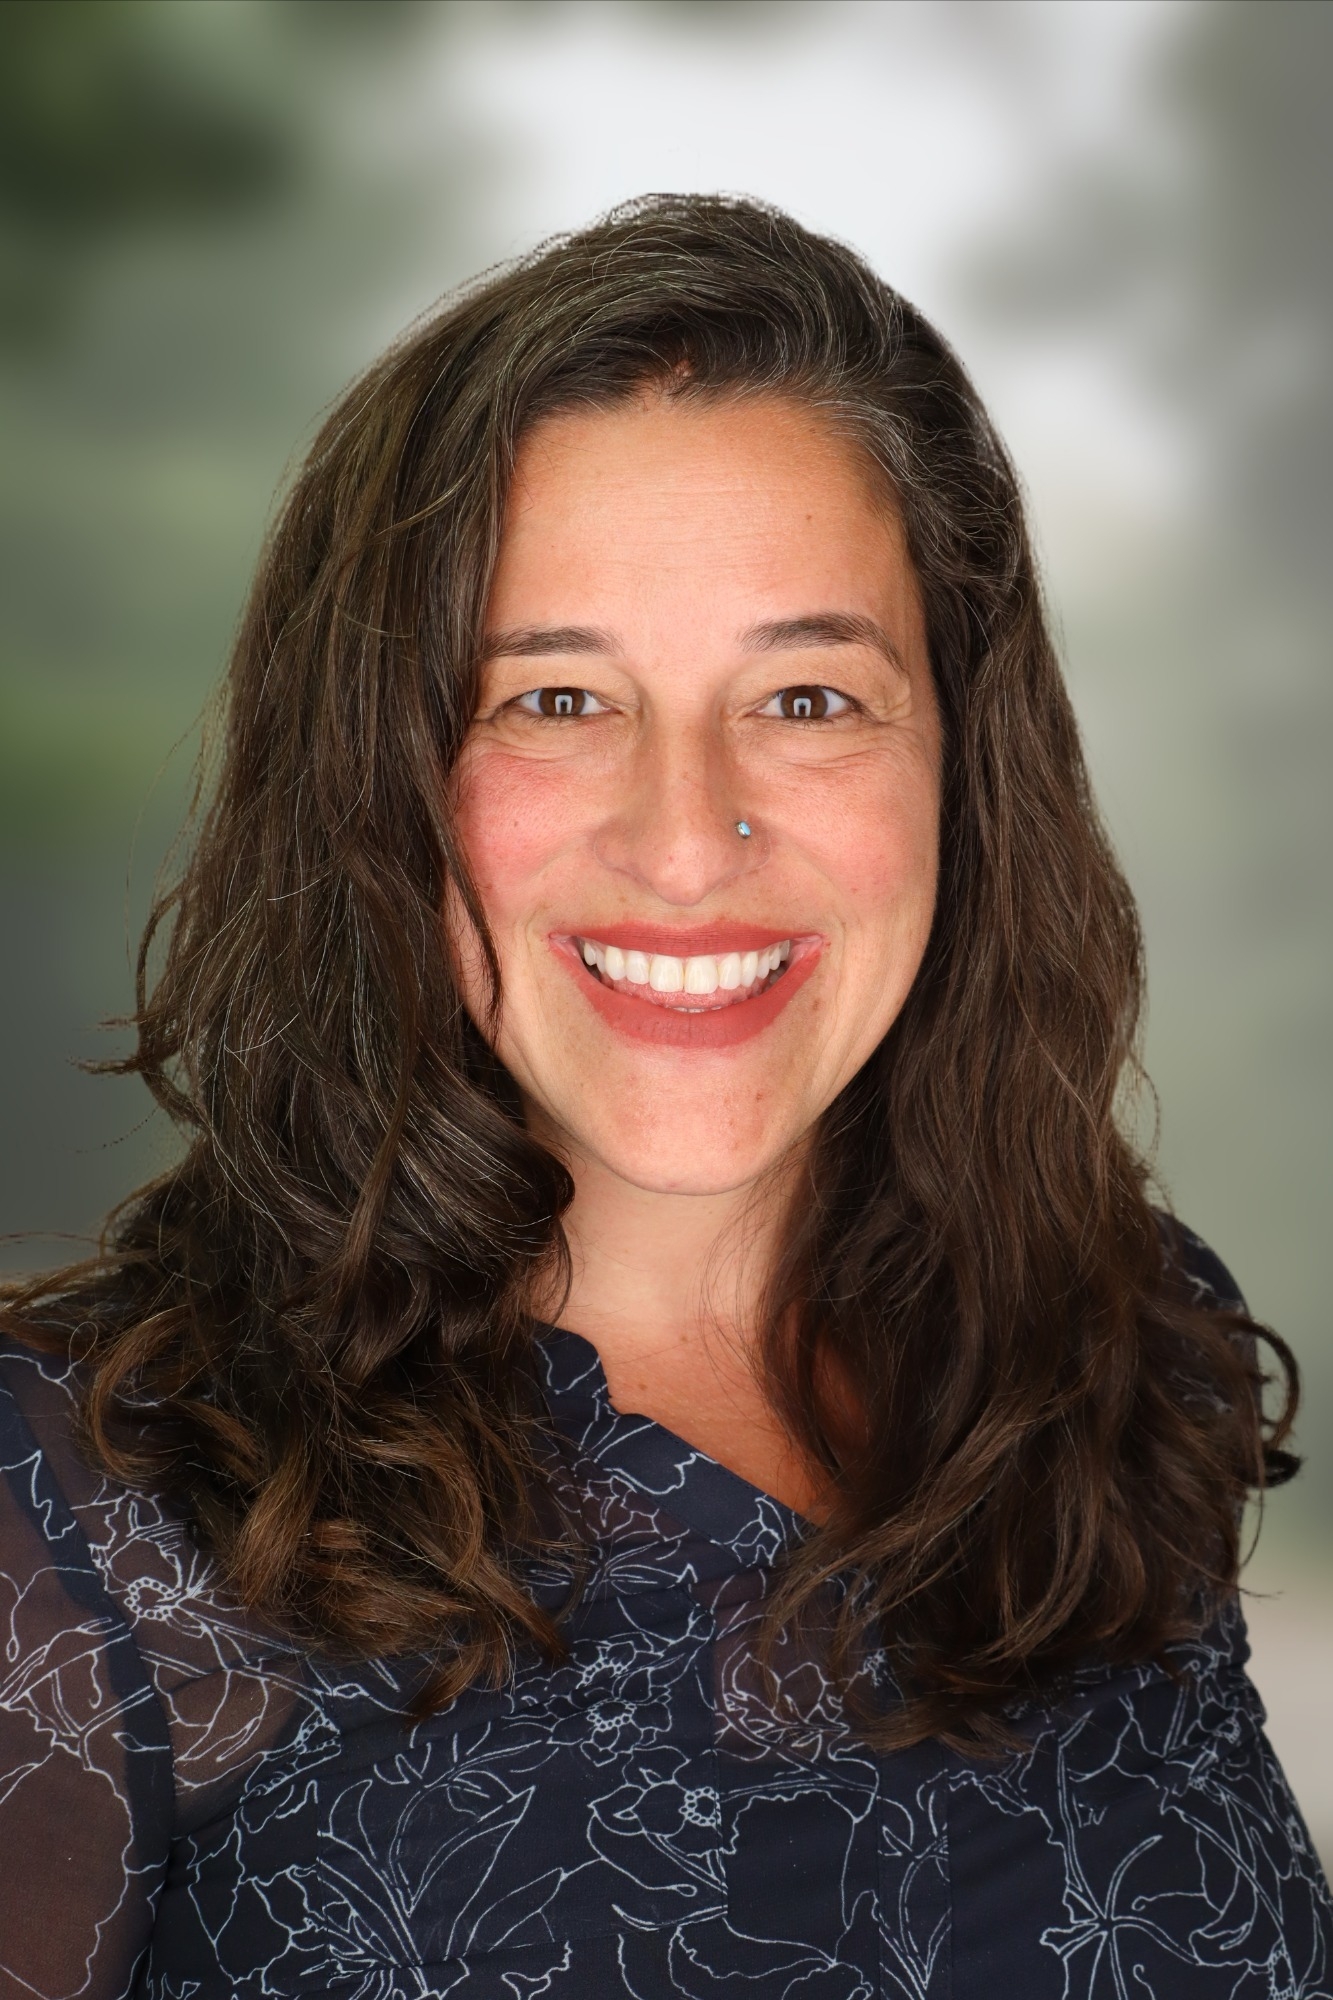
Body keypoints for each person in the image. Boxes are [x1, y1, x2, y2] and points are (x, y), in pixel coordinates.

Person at [1, 193, 1328, 2000]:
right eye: (554, 699)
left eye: (804, 696)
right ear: (375, 777)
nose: (688, 839)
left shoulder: (1115, 1344)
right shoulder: (77, 1519)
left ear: (960, 760)